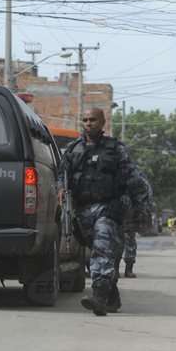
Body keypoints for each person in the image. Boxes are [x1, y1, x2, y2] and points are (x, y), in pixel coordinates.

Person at [58, 108, 150, 316]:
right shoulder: (73, 150)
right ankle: (111, 297)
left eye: (93, 120)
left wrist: (140, 209)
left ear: (102, 123)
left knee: (101, 250)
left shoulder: (116, 149)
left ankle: (99, 297)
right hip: (82, 211)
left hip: (109, 209)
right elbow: (62, 175)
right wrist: (61, 189)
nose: (88, 123)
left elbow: (133, 178)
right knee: (102, 254)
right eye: (85, 120)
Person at [121, 175, 153, 279]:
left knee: (129, 241)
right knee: (114, 243)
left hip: (128, 214)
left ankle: (128, 270)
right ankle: (119, 270)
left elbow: (146, 197)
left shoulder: (135, 178)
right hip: (117, 214)